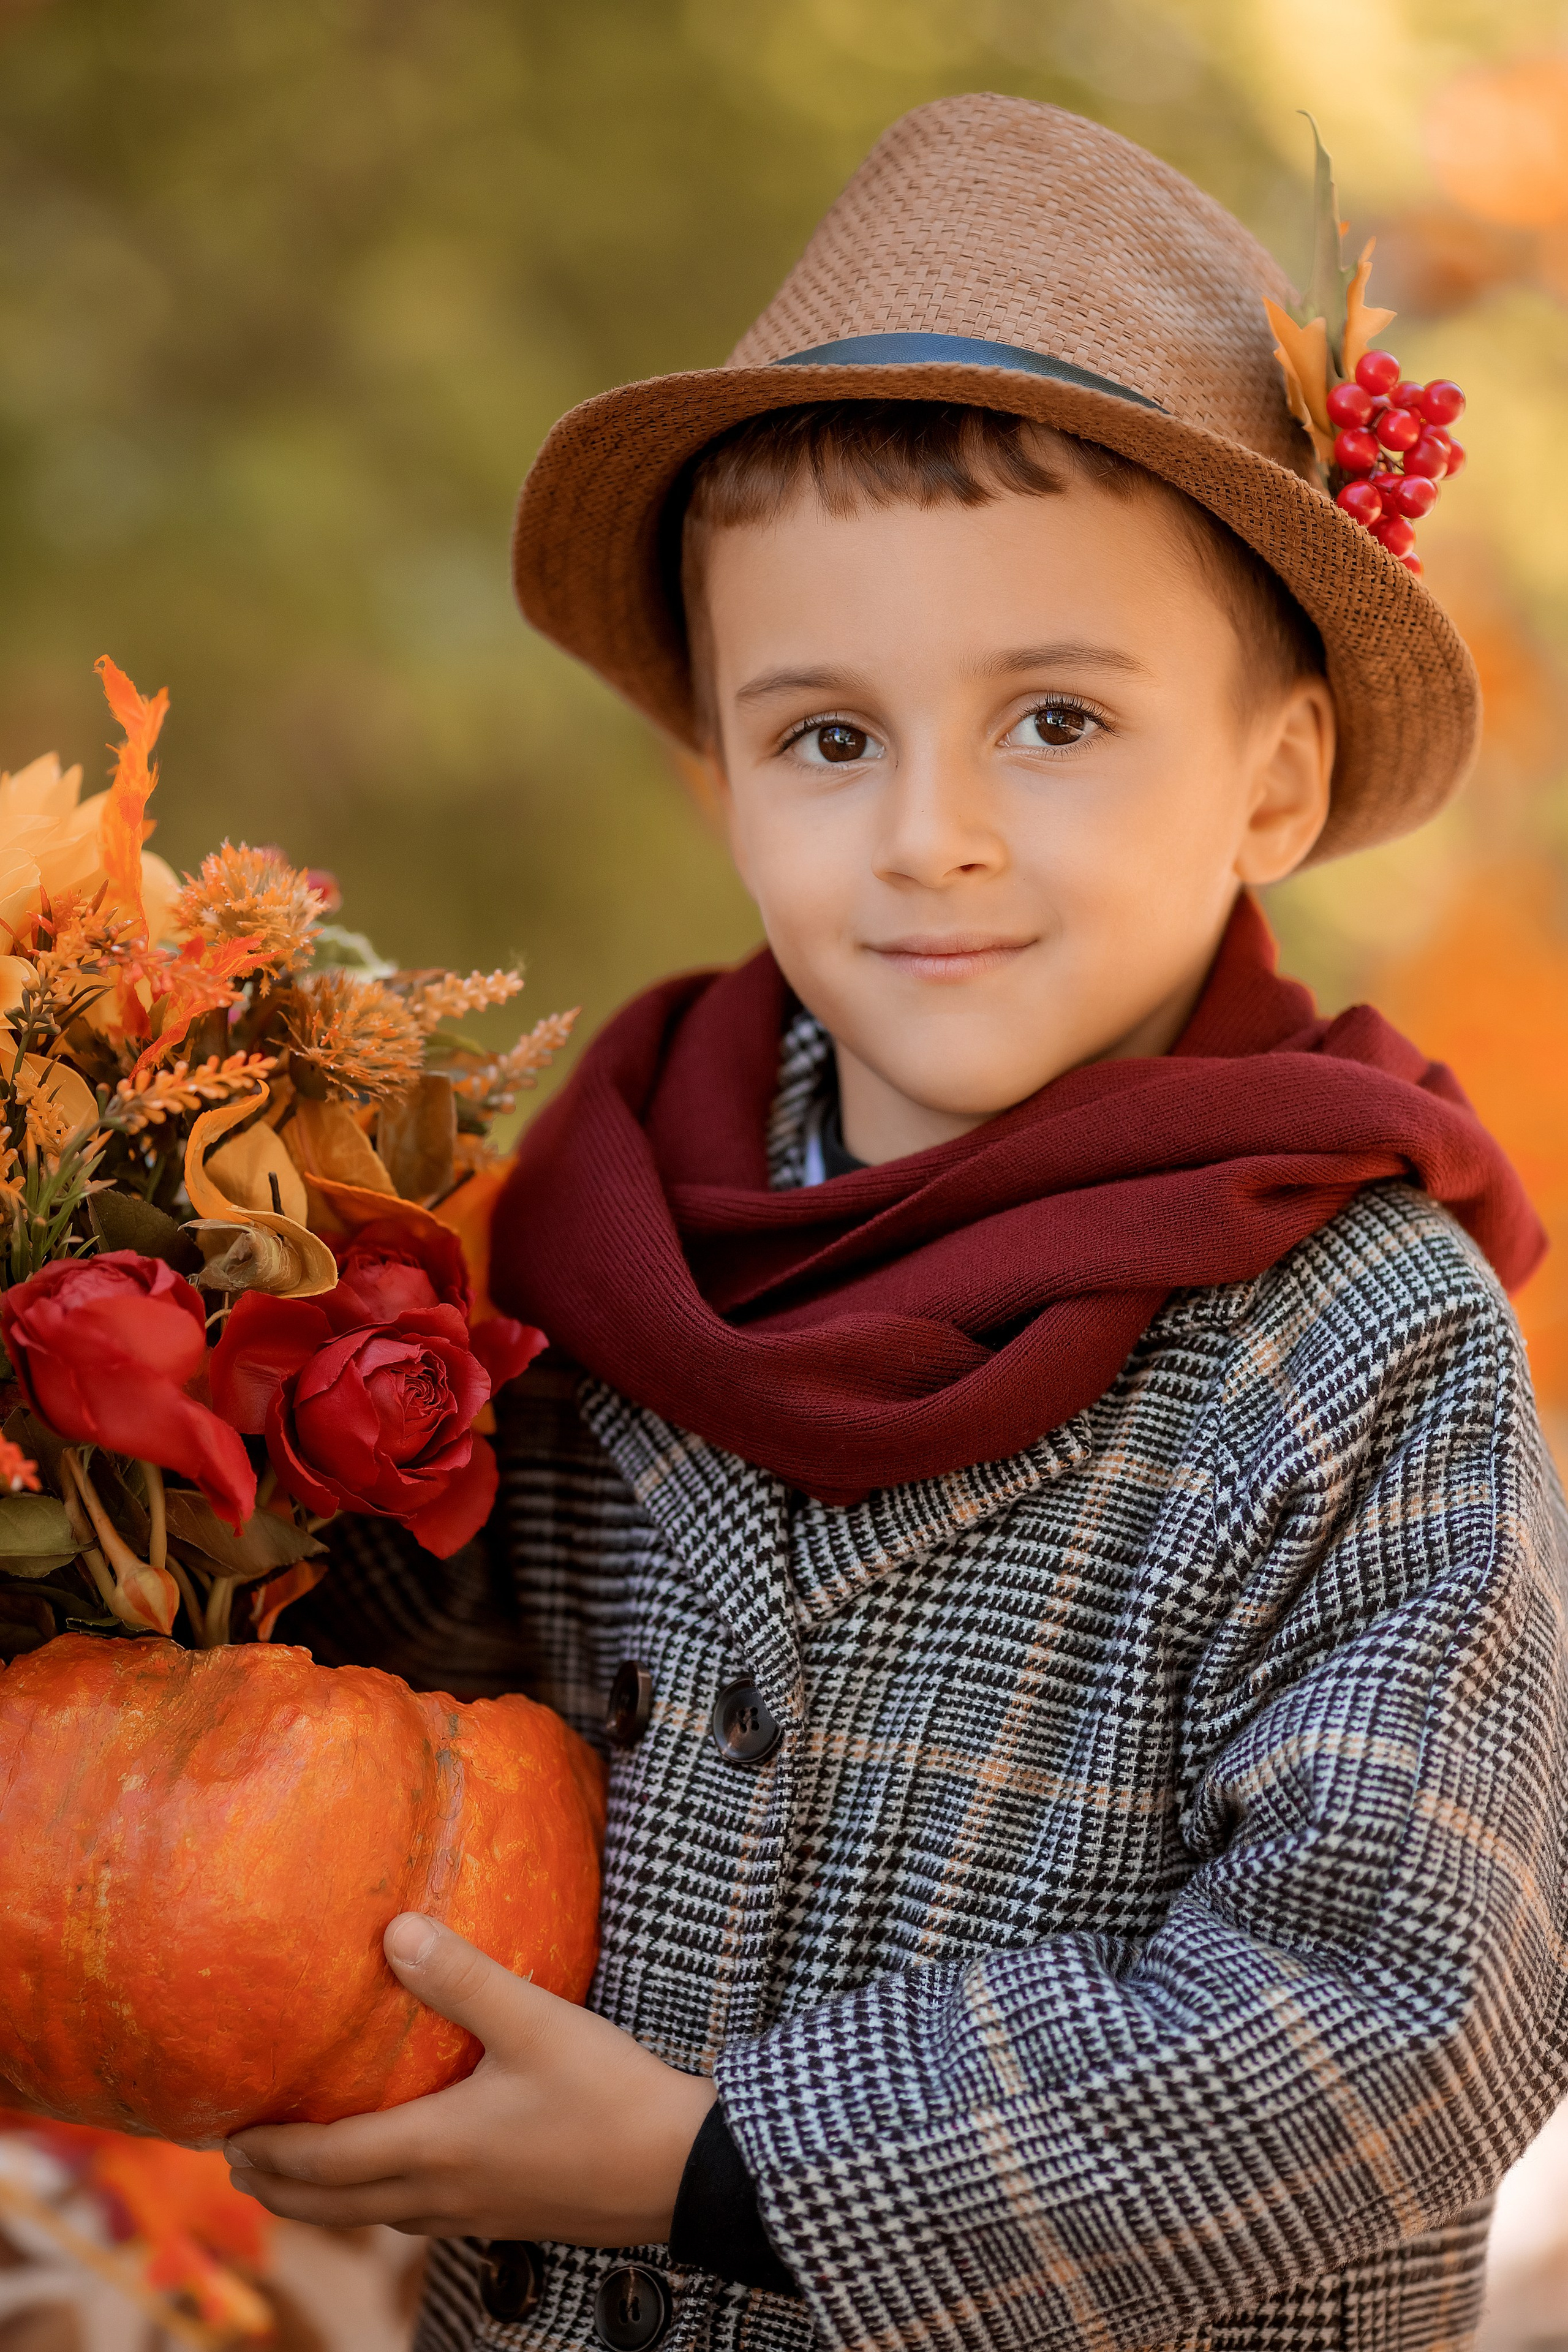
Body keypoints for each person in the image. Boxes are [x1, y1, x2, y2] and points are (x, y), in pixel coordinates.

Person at [228, 95, 1568, 2352]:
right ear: (725, 773)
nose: (930, 834)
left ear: (1276, 776)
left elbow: (1402, 2021)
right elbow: (349, 1744)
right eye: (827, 738)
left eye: (1054, 717)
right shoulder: (581, 1227)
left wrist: (715, 2162)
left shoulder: (1365, 1347)